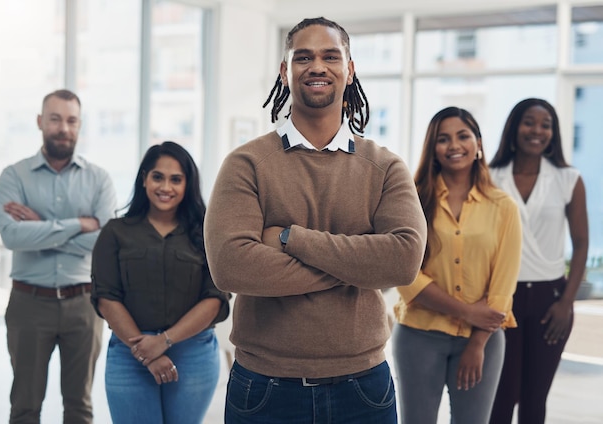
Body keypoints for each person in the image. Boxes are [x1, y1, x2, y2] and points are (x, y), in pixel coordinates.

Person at [204, 17, 427, 424]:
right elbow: (231, 266)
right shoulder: (246, 164)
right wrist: (358, 265)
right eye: (303, 57)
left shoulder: (385, 167)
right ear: (285, 72)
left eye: (330, 56)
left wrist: (291, 238)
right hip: (265, 387)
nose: (317, 66)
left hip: (363, 387)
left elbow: (403, 261)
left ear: (350, 68)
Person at [392, 106, 522, 424]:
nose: (454, 146)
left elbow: (503, 286)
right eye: (443, 139)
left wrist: (477, 342)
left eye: (463, 136)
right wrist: (465, 310)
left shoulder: (503, 207)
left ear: (478, 144)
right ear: (433, 149)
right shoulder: (411, 200)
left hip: (483, 340)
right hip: (419, 335)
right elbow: (404, 273)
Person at [0, 89, 117, 423]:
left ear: (79, 125)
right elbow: (11, 235)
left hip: (84, 304)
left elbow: (105, 244)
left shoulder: (99, 180)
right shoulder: (13, 176)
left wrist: (42, 228)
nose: (63, 127)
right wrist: (79, 224)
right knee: (24, 406)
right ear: (40, 122)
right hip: (28, 304)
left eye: (71, 120)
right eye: (55, 119)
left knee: (79, 407)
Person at [91, 141, 230, 424]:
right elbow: (106, 297)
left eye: (176, 179)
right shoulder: (115, 232)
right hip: (131, 352)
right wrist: (148, 353)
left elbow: (216, 299)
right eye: (158, 177)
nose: (165, 187)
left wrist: (165, 341)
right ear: (144, 179)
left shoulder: (207, 233)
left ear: (187, 184)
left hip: (192, 353)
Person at [489, 98, 589, 424]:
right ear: (514, 127)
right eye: (529, 122)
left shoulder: (568, 178)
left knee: (535, 402)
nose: (537, 131)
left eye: (546, 125)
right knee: (500, 398)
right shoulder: (490, 177)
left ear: (554, 133)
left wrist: (567, 302)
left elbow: (582, 241)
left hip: (551, 299)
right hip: (502, 297)